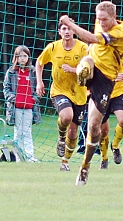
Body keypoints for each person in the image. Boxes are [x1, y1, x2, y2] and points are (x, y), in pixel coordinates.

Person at [59, 1, 123, 186]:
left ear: (113, 17)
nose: (101, 22)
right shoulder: (100, 21)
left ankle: (85, 167)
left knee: (93, 126)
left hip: (105, 80)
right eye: (99, 19)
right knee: (87, 62)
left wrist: (69, 23)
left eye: (105, 19)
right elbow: (92, 43)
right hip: (92, 67)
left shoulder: (119, 33)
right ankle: (83, 76)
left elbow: (91, 38)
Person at [35, 23, 89, 171]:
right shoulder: (53, 47)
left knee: (73, 132)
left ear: (74, 31)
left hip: (79, 94)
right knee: (66, 116)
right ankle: (61, 138)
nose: (67, 31)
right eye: (64, 29)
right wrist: (39, 82)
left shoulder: (83, 48)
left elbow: (90, 69)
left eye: (70, 28)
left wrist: (73, 70)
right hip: (59, 90)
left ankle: (65, 161)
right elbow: (39, 63)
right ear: (59, 32)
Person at [98, 43, 123, 169]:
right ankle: (104, 158)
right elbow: (95, 70)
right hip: (102, 93)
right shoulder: (100, 48)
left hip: (119, 92)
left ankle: (115, 146)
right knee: (103, 130)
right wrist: (113, 77)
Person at [3, 45, 41, 162]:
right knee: (18, 132)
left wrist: (33, 99)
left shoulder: (33, 72)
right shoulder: (11, 72)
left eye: (25, 56)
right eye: (20, 56)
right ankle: (18, 156)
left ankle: (30, 156)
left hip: (29, 108)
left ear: (28, 57)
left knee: (27, 132)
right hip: (16, 108)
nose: (22, 58)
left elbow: (38, 88)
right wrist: (14, 99)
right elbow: (6, 88)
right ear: (16, 57)